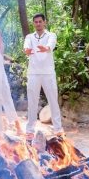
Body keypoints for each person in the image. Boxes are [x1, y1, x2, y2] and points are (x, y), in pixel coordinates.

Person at [23, 13, 63, 142]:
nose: (38, 24)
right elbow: (26, 48)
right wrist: (27, 50)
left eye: (40, 21)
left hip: (48, 73)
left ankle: (58, 129)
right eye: (36, 22)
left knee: (53, 101)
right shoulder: (29, 37)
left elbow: (51, 45)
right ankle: (29, 130)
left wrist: (45, 48)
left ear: (44, 22)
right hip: (33, 73)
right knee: (32, 102)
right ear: (33, 23)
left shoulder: (51, 35)